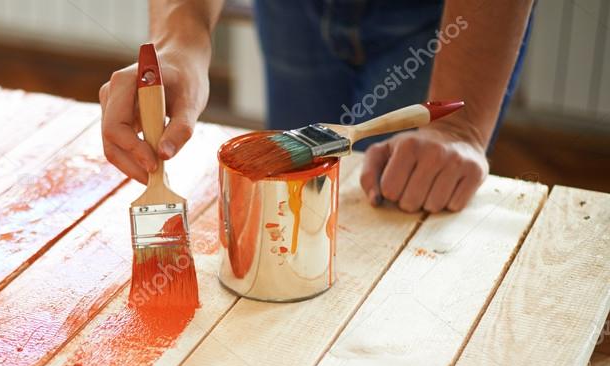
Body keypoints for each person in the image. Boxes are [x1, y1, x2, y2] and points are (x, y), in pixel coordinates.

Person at [99, 0, 534, 213]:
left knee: (401, 201)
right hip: (292, 11)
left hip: (441, 15)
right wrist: (179, 40)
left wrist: (460, 132)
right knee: (296, 201)